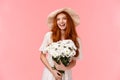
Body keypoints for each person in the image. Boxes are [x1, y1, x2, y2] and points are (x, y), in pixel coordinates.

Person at [39, 8, 82, 80]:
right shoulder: (49, 36)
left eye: (64, 18)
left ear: (69, 21)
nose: (61, 21)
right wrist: (53, 71)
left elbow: (74, 61)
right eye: (58, 19)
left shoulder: (75, 39)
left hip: (66, 74)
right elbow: (42, 56)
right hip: (50, 72)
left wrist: (64, 68)